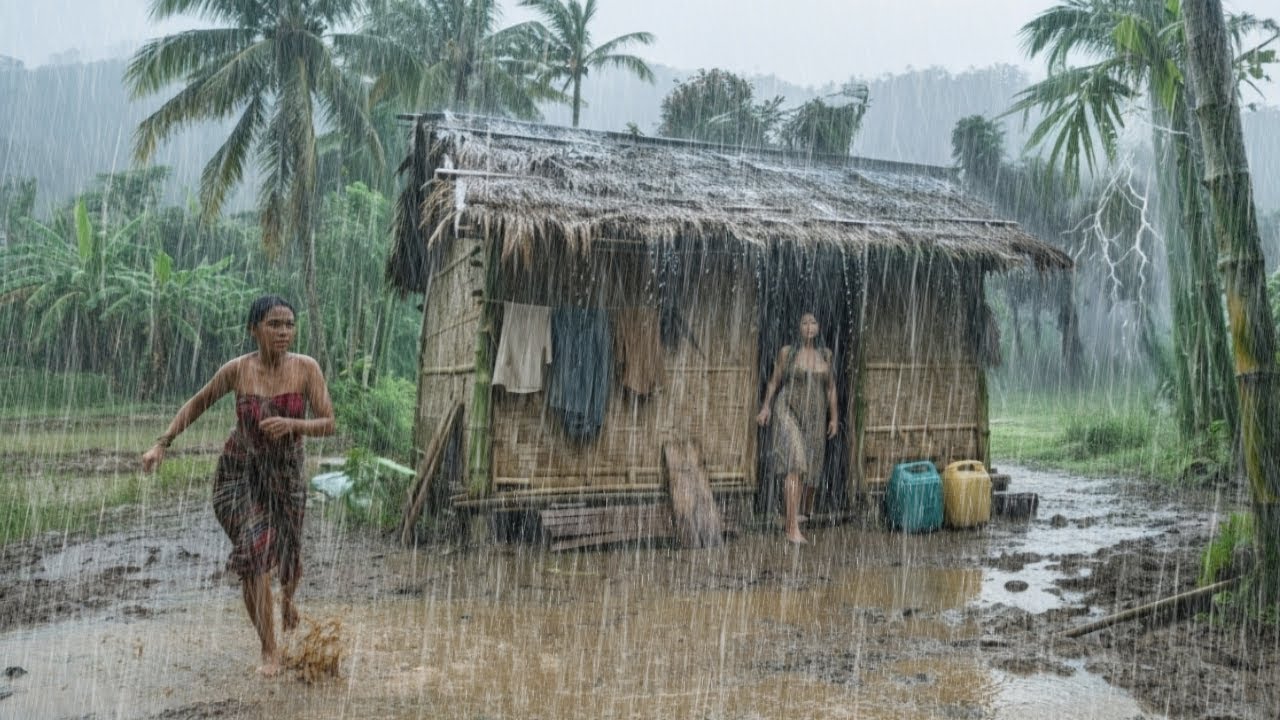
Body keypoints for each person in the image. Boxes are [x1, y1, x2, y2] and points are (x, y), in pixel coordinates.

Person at [141, 295, 335, 676]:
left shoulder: (306, 369)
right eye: (274, 324)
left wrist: (294, 425)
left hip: (286, 476)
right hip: (239, 476)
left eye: (289, 325)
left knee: (289, 556)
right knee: (254, 554)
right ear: (254, 329)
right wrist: (162, 443)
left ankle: (287, 601)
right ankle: (269, 650)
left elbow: (328, 422)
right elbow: (198, 403)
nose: (283, 332)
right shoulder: (237, 370)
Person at [756, 313, 838, 544]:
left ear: (819, 327)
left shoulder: (825, 355)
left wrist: (834, 417)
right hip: (788, 409)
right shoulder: (788, 352)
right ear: (798, 327)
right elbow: (774, 381)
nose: (809, 326)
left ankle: (800, 512)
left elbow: (831, 388)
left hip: (815, 415)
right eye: (804, 322)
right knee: (796, 462)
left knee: (812, 469)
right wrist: (766, 408)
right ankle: (791, 528)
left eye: (813, 322)